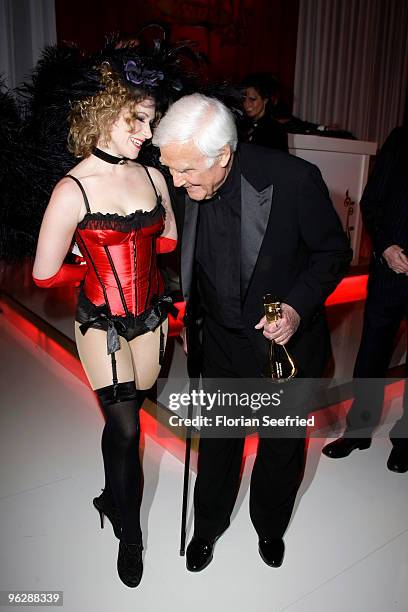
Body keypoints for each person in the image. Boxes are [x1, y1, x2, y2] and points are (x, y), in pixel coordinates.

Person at [152, 93, 352, 571]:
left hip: (279, 341)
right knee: (219, 442)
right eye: (171, 170)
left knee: (281, 446)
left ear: (222, 155)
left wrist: (297, 308)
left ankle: (269, 526)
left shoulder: (293, 180)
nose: (176, 182)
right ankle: (208, 527)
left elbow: (333, 254)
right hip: (219, 338)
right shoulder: (186, 177)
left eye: (186, 172)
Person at [32, 56, 178, 588]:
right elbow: (43, 272)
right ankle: (129, 535)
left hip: (153, 319)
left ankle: (108, 492)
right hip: (103, 324)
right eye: (133, 119)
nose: (146, 131)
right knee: (125, 427)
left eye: (150, 119)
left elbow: (169, 242)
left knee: (123, 424)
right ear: (101, 113)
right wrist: (83, 250)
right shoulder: (73, 188)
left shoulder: (156, 176)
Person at [322, 126, 408, 472]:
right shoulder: (401, 139)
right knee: (371, 355)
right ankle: (359, 431)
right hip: (389, 270)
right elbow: (372, 200)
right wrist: (386, 246)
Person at [240, 73, 288, 151]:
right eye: (244, 99)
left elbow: (281, 161)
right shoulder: (242, 125)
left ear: (265, 100)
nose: (246, 104)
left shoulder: (275, 130)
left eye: (252, 99)